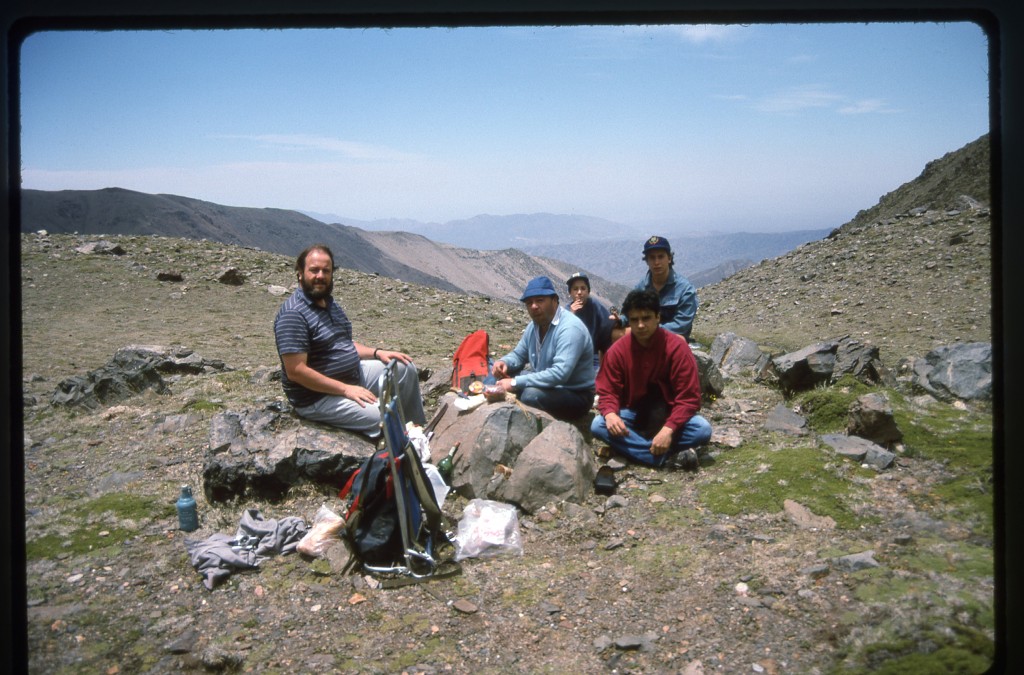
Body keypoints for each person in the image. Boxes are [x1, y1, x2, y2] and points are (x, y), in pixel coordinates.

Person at [274, 243, 426, 437]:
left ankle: (416, 430)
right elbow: (296, 371)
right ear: (300, 274)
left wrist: (377, 352)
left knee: (404, 368)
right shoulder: (293, 314)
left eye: (326, 271)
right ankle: (402, 444)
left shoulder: (328, 303)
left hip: (352, 376)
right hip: (318, 396)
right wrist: (346, 390)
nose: (320, 276)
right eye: (314, 270)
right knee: (385, 415)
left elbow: (343, 344)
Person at [591, 288, 712, 469]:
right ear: (628, 322)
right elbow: (608, 391)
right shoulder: (617, 351)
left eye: (646, 318)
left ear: (658, 317)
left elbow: (689, 398)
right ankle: (662, 458)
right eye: (634, 320)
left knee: (702, 429)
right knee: (599, 424)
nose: (640, 325)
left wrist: (668, 429)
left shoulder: (677, 347)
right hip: (632, 412)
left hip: (670, 411)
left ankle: (637, 448)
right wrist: (610, 414)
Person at [491, 276, 596, 421]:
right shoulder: (534, 326)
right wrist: (505, 363)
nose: (534, 306)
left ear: (554, 301)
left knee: (530, 395)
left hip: (574, 394)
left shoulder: (570, 328)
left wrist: (515, 383)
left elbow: (560, 374)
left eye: (540, 300)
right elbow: (519, 355)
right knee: (495, 375)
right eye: (529, 303)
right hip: (547, 385)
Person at [618, 235, 699, 340]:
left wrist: (651, 329)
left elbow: (681, 326)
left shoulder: (685, 289)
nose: (656, 262)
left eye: (661, 257)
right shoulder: (641, 286)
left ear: (669, 258)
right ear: (647, 261)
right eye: (652, 258)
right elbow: (628, 313)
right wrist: (620, 320)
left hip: (669, 339)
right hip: (643, 335)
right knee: (616, 333)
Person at [565, 272, 617, 370]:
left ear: (588, 291)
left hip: (595, 358)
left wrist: (617, 321)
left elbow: (608, 324)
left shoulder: (594, 305)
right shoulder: (567, 311)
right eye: (575, 289)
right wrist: (571, 315)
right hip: (574, 360)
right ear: (570, 293)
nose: (579, 292)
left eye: (583, 288)